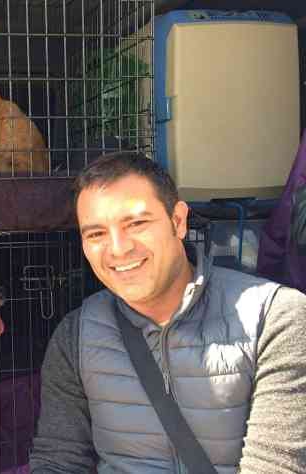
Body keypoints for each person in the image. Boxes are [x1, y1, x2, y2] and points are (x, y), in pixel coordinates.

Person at [29, 152, 306, 473]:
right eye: (96, 234)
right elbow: (59, 461)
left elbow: (277, 466)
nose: (118, 249)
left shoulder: (277, 318)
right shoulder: (74, 336)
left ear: (178, 221)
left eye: (136, 223)